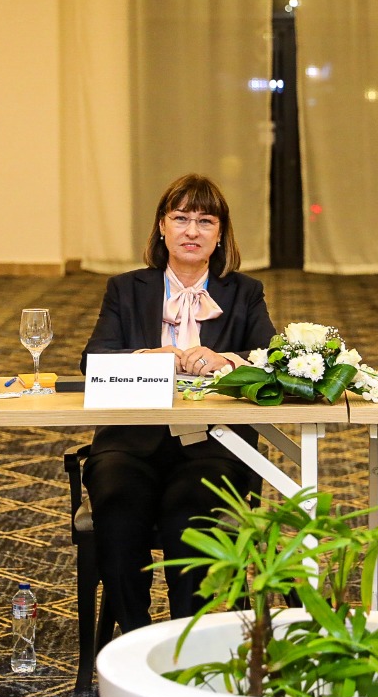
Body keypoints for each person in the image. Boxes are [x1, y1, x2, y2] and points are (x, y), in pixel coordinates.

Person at [80, 173, 276, 634]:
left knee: (189, 512)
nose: (192, 231)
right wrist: (149, 357)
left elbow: (273, 359)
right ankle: (135, 636)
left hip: (215, 444)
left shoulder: (244, 291)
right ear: (162, 227)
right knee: (117, 501)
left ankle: (186, 638)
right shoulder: (126, 288)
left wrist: (226, 359)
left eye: (205, 221)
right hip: (130, 441)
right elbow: (92, 361)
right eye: (181, 218)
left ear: (221, 234)